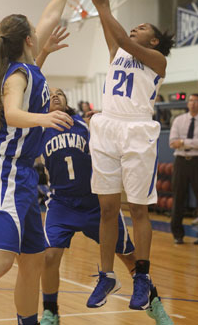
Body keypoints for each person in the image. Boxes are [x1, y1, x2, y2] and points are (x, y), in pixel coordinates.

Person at [0, 0, 85, 325]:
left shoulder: (30, 68)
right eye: (37, 31)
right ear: (28, 39)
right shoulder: (16, 75)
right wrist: (45, 117)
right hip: (5, 171)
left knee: (32, 259)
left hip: (25, 178)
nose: (42, 29)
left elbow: (49, 15)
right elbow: (14, 112)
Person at [76, 0, 174, 315]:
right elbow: (113, 29)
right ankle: (106, 274)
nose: (135, 29)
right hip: (106, 128)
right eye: (133, 26)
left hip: (136, 131)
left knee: (139, 210)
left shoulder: (157, 60)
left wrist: (105, 8)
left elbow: (120, 35)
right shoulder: (119, 51)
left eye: (142, 28)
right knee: (106, 209)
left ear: (153, 41)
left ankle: (143, 277)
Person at [39, 87, 173, 325]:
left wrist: (102, 121)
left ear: (68, 101)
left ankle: (154, 304)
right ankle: (51, 311)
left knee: (130, 258)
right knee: (49, 256)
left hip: (95, 203)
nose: (55, 96)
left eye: (60, 93)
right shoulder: (39, 130)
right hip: (61, 204)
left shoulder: (85, 124)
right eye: (50, 95)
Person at [169, 93, 198, 245]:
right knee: (178, 198)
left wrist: (183, 141)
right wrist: (192, 142)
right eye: (191, 101)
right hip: (180, 161)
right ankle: (177, 234)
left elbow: (179, 142)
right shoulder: (179, 120)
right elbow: (172, 142)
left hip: (196, 161)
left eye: (196, 101)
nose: (192, 103)